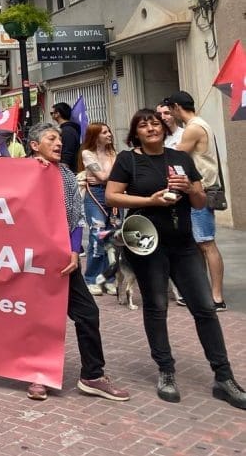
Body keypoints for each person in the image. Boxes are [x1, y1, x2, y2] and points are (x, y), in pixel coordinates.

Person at [106, 109, 245, 409]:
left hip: (183, 243)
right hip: (147, 245)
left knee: (205, 307)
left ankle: (224, 376)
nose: (151, 128)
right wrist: (149, 201)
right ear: (136, 133)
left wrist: (191, 188)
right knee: (156, 306)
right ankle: (166, 370)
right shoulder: (128, 160)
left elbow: (199, 201)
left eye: (155, 123)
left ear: (164, 128)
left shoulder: (180, 159)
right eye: (143, 125)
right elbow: (112, 197)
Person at [27, 123, 129, 403]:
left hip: (61, 260)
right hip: (27, 261)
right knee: (40, 319)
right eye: (51, 138)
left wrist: (74, 252)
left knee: (87, 313)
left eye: (59, 138)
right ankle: (39, 375)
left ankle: (92, 375)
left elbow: (75, 219)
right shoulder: (21, 172)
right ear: (35, 145)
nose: (59, 143)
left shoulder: (68, 176)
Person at [167, 91, 227, 311]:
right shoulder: (200, 124)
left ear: (176, 107)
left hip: (200, 190)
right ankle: (203, 292)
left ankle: (217, 297)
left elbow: (175, 154)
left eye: (169, 110)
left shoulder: (193, 127)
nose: (168, 115)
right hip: (198, 190)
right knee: (199, 244)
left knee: (206, 243)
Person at [79, 122, 118, 295]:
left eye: (109, 131)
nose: (109, 134)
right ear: (95, 136)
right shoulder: (87, 153)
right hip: (95, 195)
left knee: (113, 237)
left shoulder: (114, 153)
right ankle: (92, 278)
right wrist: (109, 177)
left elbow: (107, 177)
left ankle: (109, 278)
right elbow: (103, 175)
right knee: (97, 235)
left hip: (114, 195)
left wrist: (106, 179)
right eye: (104, 132)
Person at [50, 102, 81, 176]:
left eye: (52, 113)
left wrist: (62, 174)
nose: (51, 115)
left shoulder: (67, 130)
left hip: (69, 172)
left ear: (57, 114)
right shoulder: (67, 129)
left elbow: (67, 152)